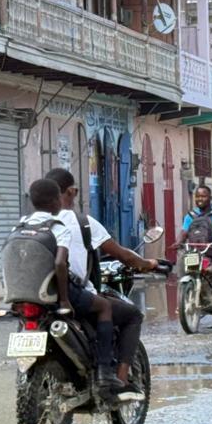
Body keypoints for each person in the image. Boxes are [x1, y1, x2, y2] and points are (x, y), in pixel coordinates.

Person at [45, 167, 157, 391]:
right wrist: (149, 264)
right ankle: (116, 378)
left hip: (40, 296)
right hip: (71, 293)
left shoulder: (32, 222)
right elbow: (124, 256)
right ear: (72, 191)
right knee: (132, 315)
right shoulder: (83, 223)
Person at [18, 178, 123, 391]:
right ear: (56, 201)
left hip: (28, 292)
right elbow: (60, 263)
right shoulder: (58, 227)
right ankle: (104, 371)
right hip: (56, 291)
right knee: (104, 306)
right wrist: (65, 300)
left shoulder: (21, 224)